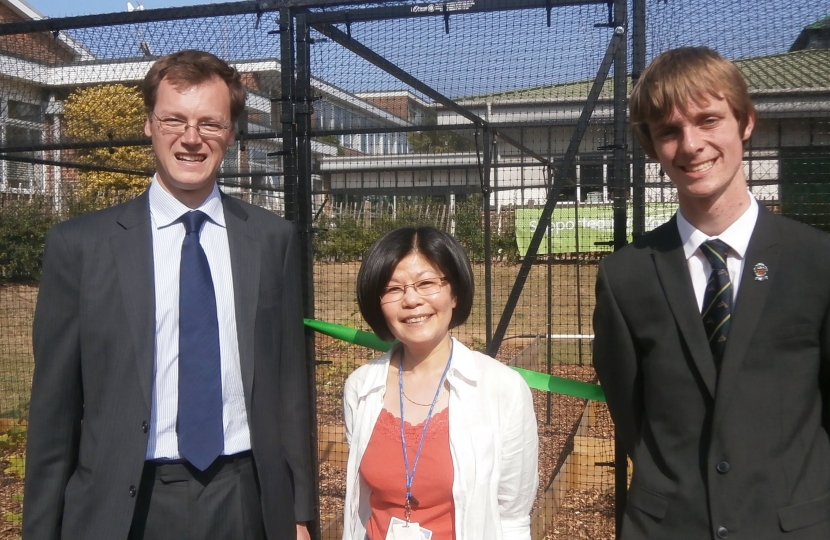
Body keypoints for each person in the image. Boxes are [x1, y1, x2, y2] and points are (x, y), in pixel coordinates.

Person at [23, 49, 314, 540]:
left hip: (243, 497)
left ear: (233, 132)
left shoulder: (271, 240)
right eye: (174, 119)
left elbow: (289, 386)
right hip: (124, 503)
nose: (192, 138)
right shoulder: (81, 246)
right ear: (149, 124)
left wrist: (301, 512)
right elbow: (53, 408)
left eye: (210, 123)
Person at [593, 46, 830, 539]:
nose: (691, 144)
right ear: (652, 146)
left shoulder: (817, 262)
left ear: (745, 122)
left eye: (708, 120)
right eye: (669, 131)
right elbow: (630, 413)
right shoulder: (626, 276)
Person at [342, 226, 538, 540]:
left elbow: (513, 515)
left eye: (427, 283)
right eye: (393, 289)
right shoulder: (361, 388)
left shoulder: (502, 389)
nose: (411, 300)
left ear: (455, 292)